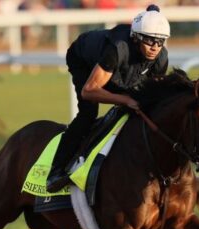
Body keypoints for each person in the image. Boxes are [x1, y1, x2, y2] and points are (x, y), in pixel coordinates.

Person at [46, 4, 170, 192]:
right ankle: (56, 171)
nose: (155, 47)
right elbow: (89, 90)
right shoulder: (118, 49)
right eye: (150, 40)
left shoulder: (160, 58)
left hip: (117, 70)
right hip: (84, 60)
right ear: (136, 38)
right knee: (88, 113)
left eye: (160, 42)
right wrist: (125, 100)